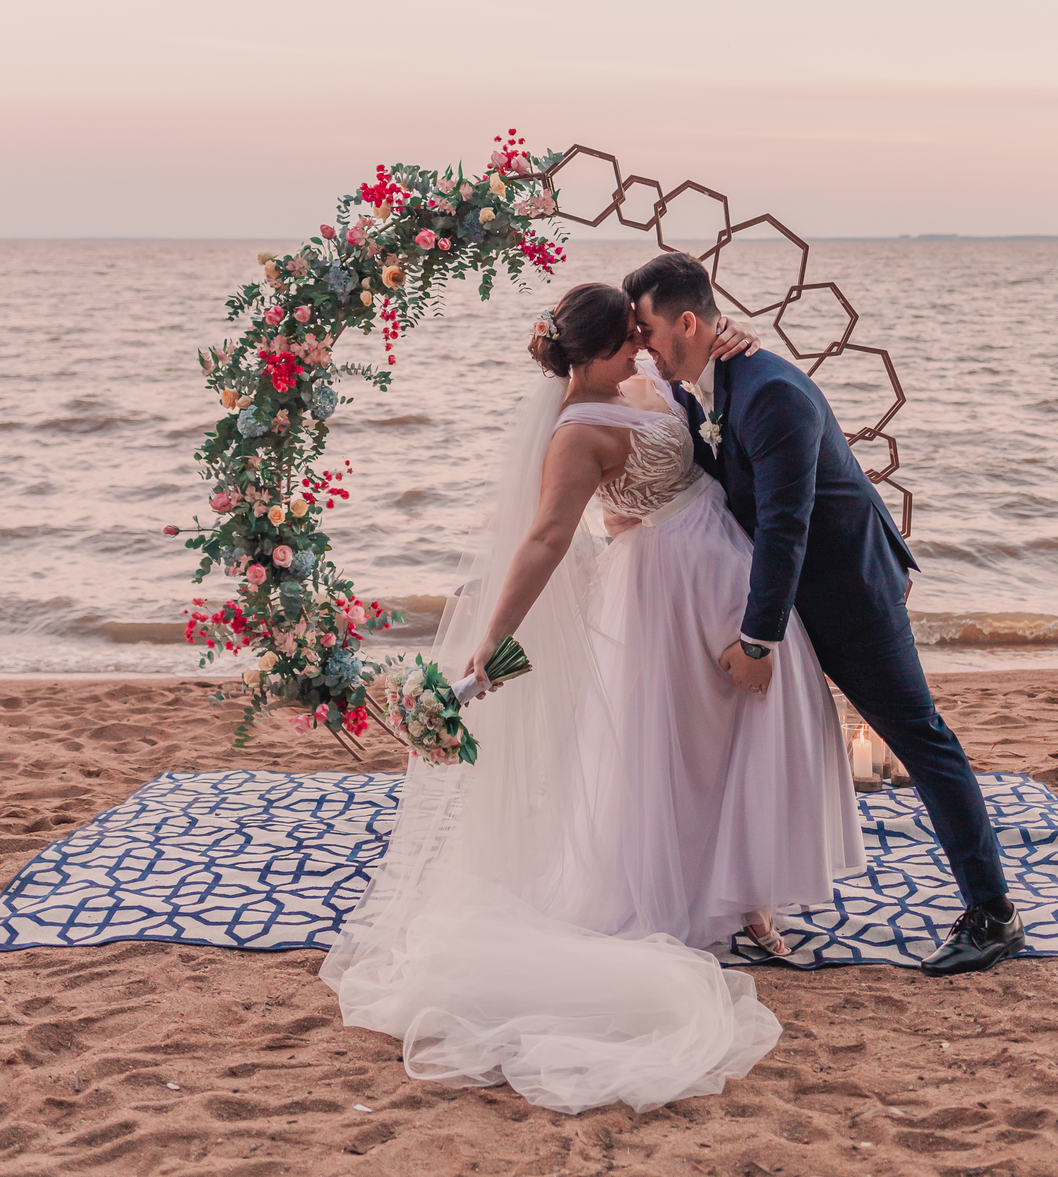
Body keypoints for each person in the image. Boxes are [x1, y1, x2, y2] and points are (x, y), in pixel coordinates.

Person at [321, 282, 864, 1113]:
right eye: (628, 341)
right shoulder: (575, 434)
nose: (644, 349)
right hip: (664, 587)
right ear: (590, 352)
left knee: (750, 725)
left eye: (646, 336)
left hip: (722, 554)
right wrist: (488, 645)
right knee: (677, 743)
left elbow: (693, 396)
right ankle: (691, 901)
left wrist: (731, 342)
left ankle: (748, 893)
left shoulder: (647, 382)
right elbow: (542, 540)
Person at [624, 249, 1025, 977]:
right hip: (786, 589)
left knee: (919, 737)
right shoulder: (704, 379)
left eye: (649, 331)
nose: (645, 347)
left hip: (847, 594)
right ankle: (734, 889)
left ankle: (993, 912)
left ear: (687, 322)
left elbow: (786, 524)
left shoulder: (771, 390)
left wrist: (757, 639)